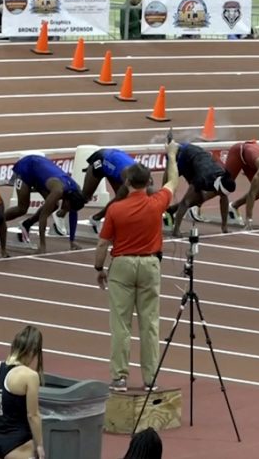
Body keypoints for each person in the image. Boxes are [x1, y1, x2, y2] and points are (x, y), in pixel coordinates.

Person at [95, 141, 180, 392]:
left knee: (120, 324)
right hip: (150, 264)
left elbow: (102, 244)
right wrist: (171, 155)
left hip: (122, 264)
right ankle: (150, 378)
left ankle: (120, 377)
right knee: (150, 324)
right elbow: (173, 182)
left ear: (128, 183)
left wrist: (99, 268)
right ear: (147, 183)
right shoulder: (157, 202)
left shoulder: (116, 209)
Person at [2, 155, 87, 254]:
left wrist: (72, 241)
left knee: (54, 205)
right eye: (68, 208)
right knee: (23, 208)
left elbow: (73, 213)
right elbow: (43, 216)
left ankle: (27, 224)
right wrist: (42, 245)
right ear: (67, 201)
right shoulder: (58, 191)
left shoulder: (76, 190)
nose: (67, 211)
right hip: (26, 167)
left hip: (40, 174)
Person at [0, 326, 45, 459]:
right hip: (18, 445)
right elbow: (33, 415)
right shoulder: (30, 376)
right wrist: (40, 445)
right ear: (31, 352)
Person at [164, 141, 237, 236]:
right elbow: (185, 202)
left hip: (198, 158)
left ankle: (171, 210)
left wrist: (224, 227)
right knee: (185, 197)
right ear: (218, 187)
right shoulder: (203, 179)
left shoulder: (222, 176)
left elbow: (224, 199)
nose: (221, 195)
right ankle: (173, 225)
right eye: (220, 193)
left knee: (200, 199)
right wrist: (176, 231)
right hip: (185, 156)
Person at [60, 147, 137, 233]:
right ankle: (62, 213)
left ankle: (99, 218)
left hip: (113, 163)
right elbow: (120, 196)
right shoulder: (126, 175)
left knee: (123, 199)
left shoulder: (142, 177)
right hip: (99, 161)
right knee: (84, 198)